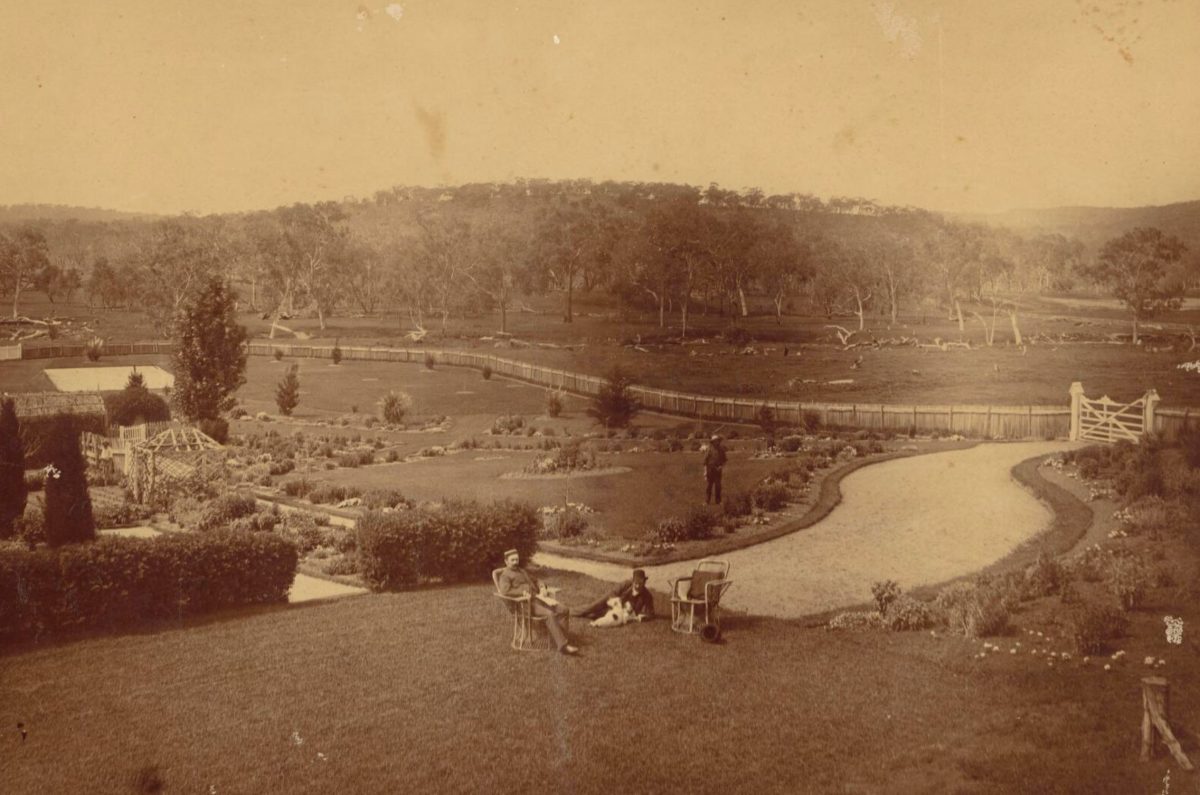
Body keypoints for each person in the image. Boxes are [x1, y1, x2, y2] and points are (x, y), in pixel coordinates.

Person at [496, 549, 579, 655]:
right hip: (525, 604)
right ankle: (563, 646)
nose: (515, 562)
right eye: (512, 560)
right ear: (506, 561)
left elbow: (536, 580)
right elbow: (505, 591)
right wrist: (522, 592)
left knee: (564, 609)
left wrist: (542, 587)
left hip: (538, 598)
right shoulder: (505, 575)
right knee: (549, 614)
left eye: (516, 559)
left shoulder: (522, 571)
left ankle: (561, 638)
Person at [574, 569, 655, 621]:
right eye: (636, 583)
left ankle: (591, 614)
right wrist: (616, 601)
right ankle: (570, 611)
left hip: (623, 613)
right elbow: (613, 592)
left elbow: (650, 613)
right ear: (632, 581)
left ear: (644, 582)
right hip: (613, 601)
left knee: (593, 615)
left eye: (640, 583)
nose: (637, 586)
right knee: (593, 606)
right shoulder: (626, 584)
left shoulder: (647, 595)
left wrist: (642, 617)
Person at [704, 434, 727, 504]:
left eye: (717, 441)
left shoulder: (721, 450)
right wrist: (705, 471)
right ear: (713, 442)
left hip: (718, 470)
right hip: (710, 469)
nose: (716, 442)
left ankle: (718, 501)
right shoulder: (709, 449)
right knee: (709, 486)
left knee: (718, 486)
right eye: (715, 441)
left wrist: (721, 466)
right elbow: (705, 461)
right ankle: (707, 501)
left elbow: (725, 460)